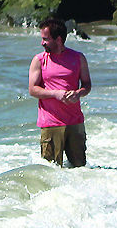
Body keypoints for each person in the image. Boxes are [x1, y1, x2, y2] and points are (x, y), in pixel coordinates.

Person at [28, 16, 91, 167]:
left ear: (58, 39)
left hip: (75, 123)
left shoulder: (78, 58)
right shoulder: (39, 60)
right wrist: (55, 94)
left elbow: (87, 85)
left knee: (80, 169)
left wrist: (78, 93)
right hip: (51, 124)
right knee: (50, 171)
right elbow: (32, 90)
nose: (42, 43)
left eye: (46, 39)